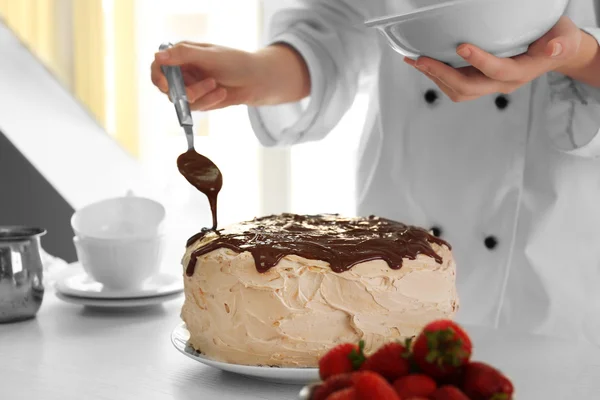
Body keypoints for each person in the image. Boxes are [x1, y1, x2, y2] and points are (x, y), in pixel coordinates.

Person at [151, 0, 600, 344]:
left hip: (553, 264)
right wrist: (261, 71)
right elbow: (346, 15)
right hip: (396, 221)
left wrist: (581, 56)